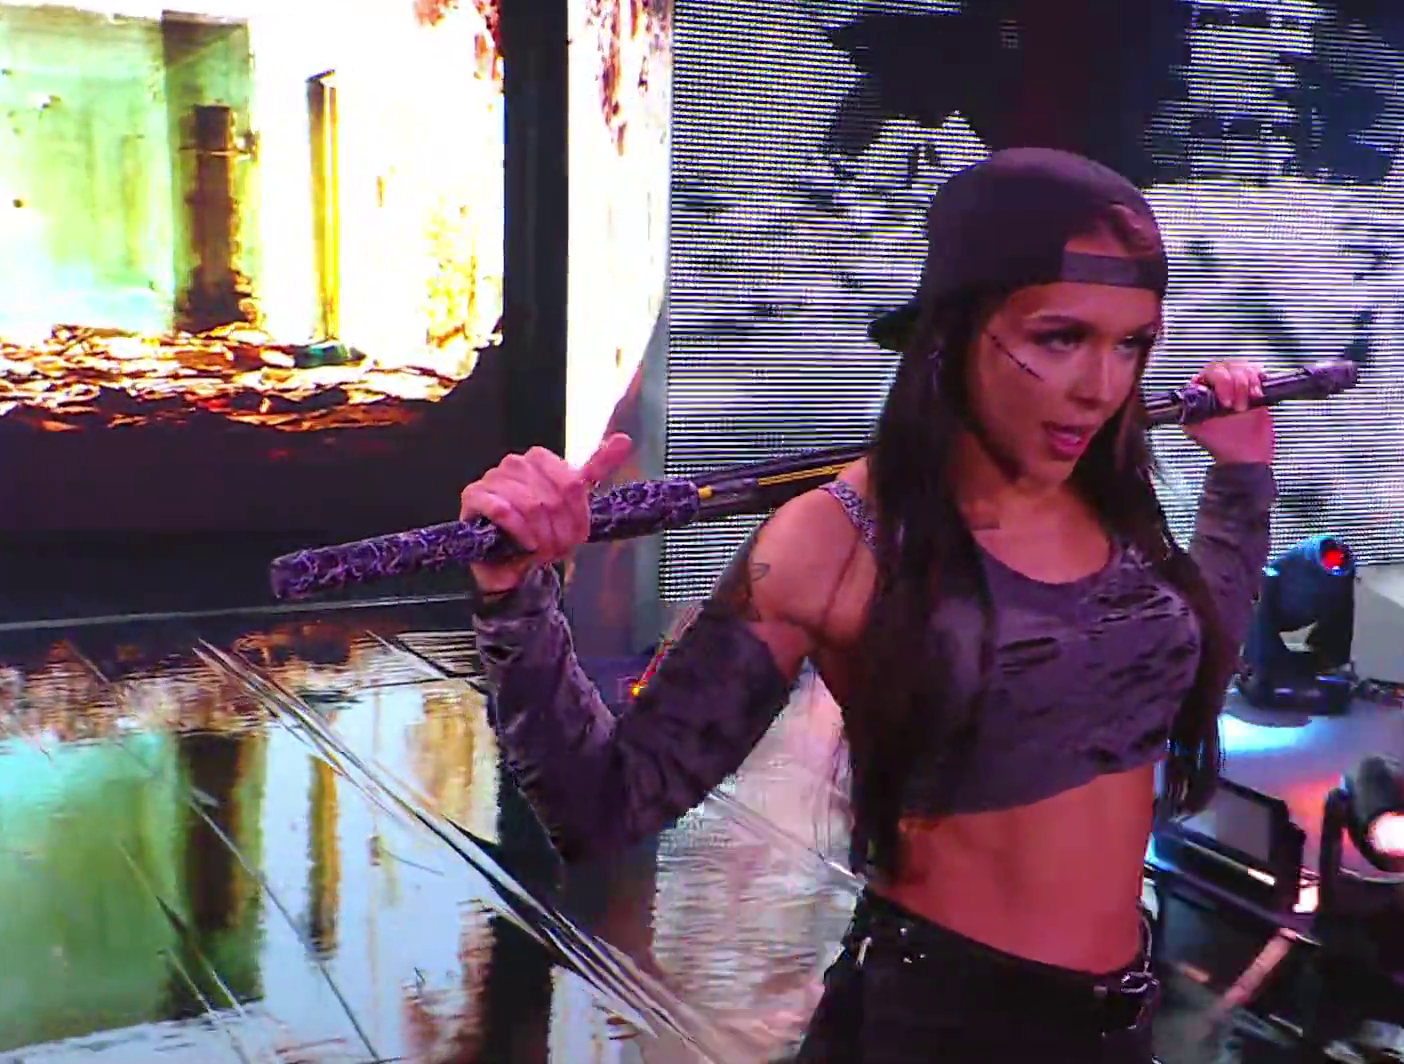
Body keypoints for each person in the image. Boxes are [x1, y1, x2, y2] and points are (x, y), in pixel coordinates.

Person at [462, 148, 1277, 1062]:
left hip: (1117, 1025)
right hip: (933, 1033)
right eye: (1059, 338)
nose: (1102, 386)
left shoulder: (1108, 497)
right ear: (952, 331)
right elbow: (605, 805)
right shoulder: (836, 539)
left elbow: (1185, 684)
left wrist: (1242, 480)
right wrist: (515, 597)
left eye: (1131, 344)